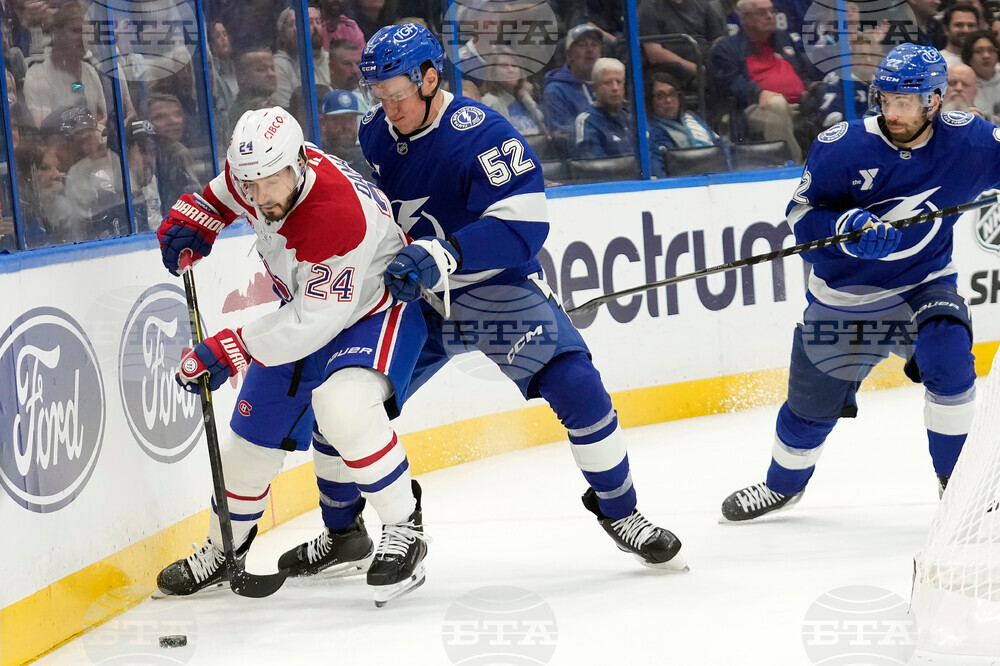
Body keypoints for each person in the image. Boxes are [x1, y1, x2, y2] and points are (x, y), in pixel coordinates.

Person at [280, 23, 686, 575]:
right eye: (380, 96)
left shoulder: (483, 135)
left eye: (398, 95)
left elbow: (524, 225)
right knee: (335, 405)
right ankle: (344, 534)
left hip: (491, 289)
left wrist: (445, 253)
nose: (388, 108)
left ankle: (621, 513)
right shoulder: (377, 131)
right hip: (413, 295)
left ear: (430, 78)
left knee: (577, 384)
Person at [153, 107, 431, 607]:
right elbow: (220, 196)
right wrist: (196, 218)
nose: (260, 199)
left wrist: (229, 349)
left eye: (269, 185)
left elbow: (316, 321)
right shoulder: (260, 173)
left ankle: (404, 526)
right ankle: (225, 549)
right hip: (305, 308)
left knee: (343, 409)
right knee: (248, 447)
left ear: (299, 163)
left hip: (374, 311)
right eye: (250, 185)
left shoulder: (336, 215)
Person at [720, 43, 1000, 522]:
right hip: (844, 299)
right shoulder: (842, 146)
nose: (891, 111)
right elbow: (802, 217)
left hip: (923, 285)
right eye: (885, 98)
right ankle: (781, 486)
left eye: (904, 102)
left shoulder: (970, 141)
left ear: (934, 100)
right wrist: (844, 230)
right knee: (810, 410)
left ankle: (956, 488)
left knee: (951, 361)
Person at [712, 0, 821, 163]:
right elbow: (732, 83)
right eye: (761, 13)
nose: (770, 16)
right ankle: (794, 167)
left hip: (800, 102)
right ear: (743, 18)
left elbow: (802, 72)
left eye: (772, 11)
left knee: (829, 94)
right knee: (776, 105)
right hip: (755, 106)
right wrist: (758, 92)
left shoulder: (784, 39)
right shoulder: (727, 48)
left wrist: (811, 86)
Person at [646, 72, 722, 177]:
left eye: (672, 93)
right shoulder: (651, 130)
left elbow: (721, 147)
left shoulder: (692, 117)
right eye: (660, 96)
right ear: (651, 101)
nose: (668, 100)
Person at [541, 24, 603, 133]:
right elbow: (562, 137)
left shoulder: (608, 84)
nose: (590, 50)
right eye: (582, 45)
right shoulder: (556, 91)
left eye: (594, 44)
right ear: (568, 55)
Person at [571, 57, 635, 159]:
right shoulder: (587, 121)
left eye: (618, 82)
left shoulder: (631, 118)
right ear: (595, 88)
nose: (615, 88)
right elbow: (596, 168)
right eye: (608, 82)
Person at [479, 50, 546, 137]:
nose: (511, 70)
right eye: (503, 66)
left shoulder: (524, 99)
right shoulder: (490, 104)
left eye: (514, 65)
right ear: (493, 73)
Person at [320, 88, 370, 176]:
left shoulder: (368, 160)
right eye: (339, 119)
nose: (347, 126)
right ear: (323, 123)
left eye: (351, 119)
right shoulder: (316, 160)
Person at [963, 29, 1000, 121]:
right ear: (969, 56)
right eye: (979, 51)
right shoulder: (962, 84)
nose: (986, 56)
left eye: (991, 50)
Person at [940, 3, 981, 68]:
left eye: (971, 25)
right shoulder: (938, 62)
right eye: (959, 25)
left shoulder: (988, 60)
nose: (966, 30)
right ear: (946, 29)